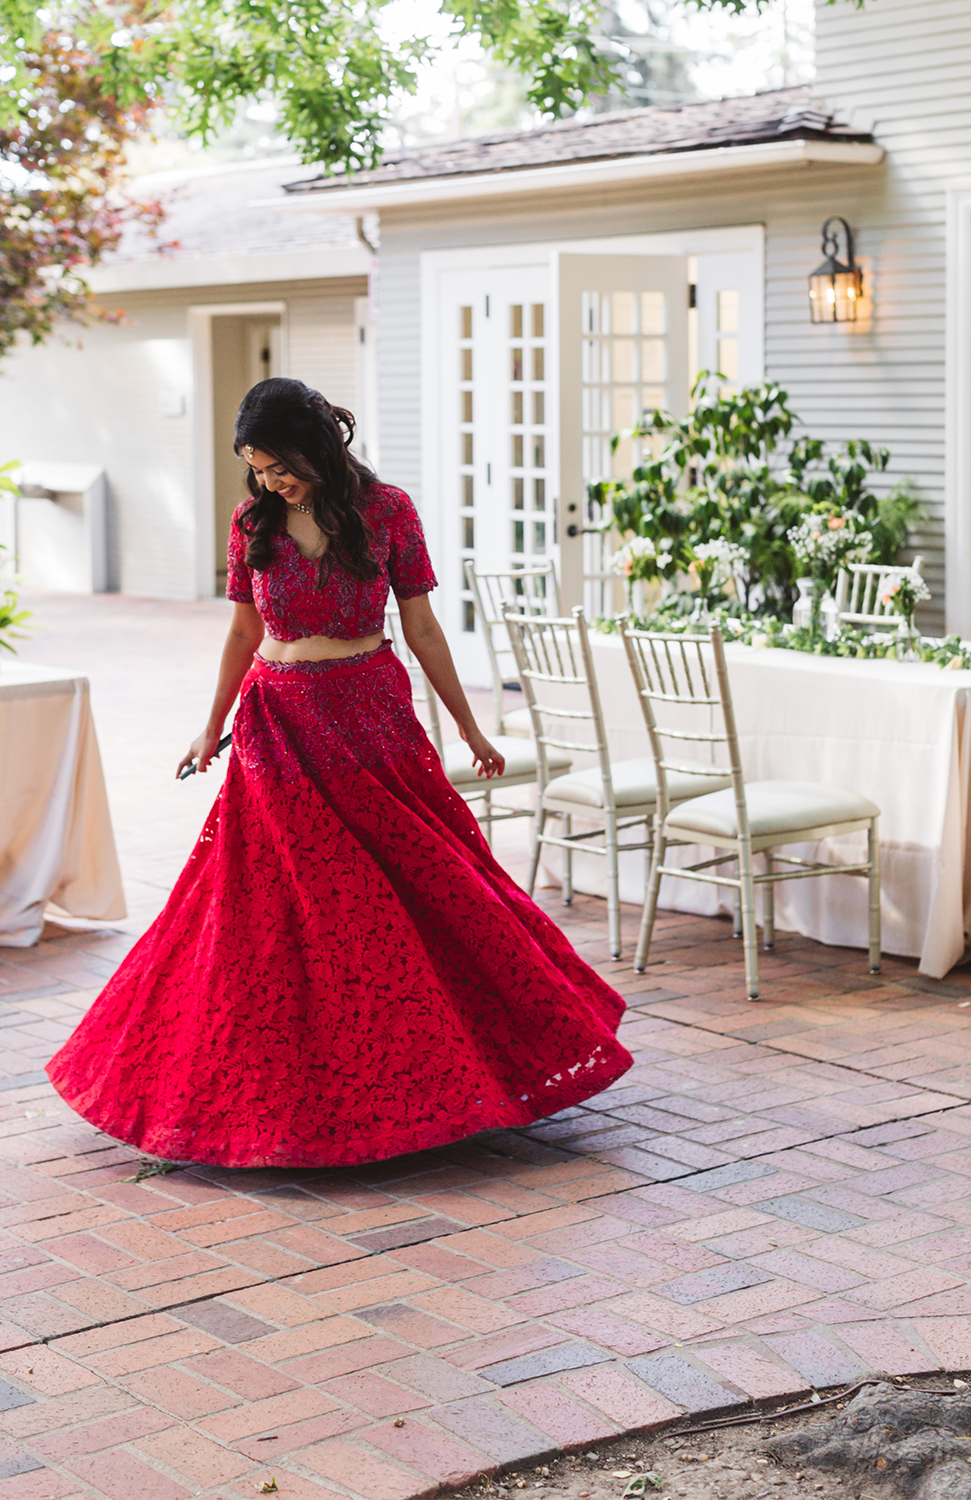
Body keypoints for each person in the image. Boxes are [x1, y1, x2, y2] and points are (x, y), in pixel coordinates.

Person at [47, 378, 632, 1168]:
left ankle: (415, 1089)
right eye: (256, 469)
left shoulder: (388, 511)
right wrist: (212, 723)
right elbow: (241, 630)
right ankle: (290, 1104)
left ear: (317, 446)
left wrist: (466, 722)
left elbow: (421, 625)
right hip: (276, 725)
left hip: (368, 719)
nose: (268, 483)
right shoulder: (251, 521)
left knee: (413, 892)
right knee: (282, 910)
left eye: (278, 466)